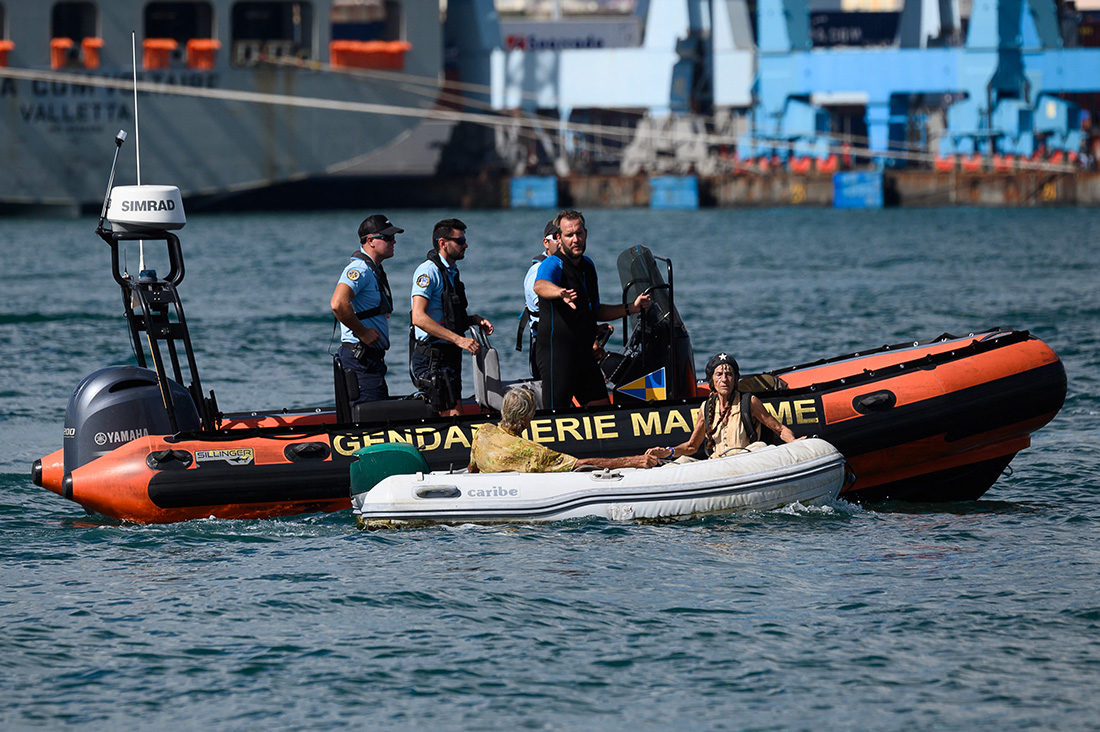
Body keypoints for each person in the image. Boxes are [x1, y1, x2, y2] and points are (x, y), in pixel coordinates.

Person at [532, 209, 652, 409]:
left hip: (584, 353)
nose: (575, 240)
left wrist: (631, 308)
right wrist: (560, 292)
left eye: (579, 233)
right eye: (569, 235)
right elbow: (540, 285)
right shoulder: (553, 263)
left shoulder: (588, 266)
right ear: (559, 238)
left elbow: (595, 311)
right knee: (556, 415)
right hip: (557, 356)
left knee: (602, 409)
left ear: (585, 233)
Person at [410, 218, 494, 417]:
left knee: (456, 409)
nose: (466, 245)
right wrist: (459, 340)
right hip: (433, 357)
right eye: (460, 241)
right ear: (443, 243)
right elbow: (418, 317)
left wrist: (473, 320)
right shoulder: (428, 272)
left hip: (449, 355)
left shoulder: (451, 272)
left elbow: (448, 315)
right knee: (453, 416)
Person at [469, 387, 660, 473]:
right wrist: (633, 461)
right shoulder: (532, 452)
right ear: (525, 419)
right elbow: (580, 464)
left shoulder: (483, 432)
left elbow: (472, 470)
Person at [652, 353, 801, 462]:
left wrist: (794, 442)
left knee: (759, 446)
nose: (724, 379)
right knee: (683, 461)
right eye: (719, 374)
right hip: (717, 464)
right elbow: (692, 446)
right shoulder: (706, 407)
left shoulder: (749, 402)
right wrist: (668, 451)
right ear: (712, 380)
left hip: (745, 461)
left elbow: (779, 429)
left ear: (735, 379)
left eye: (729, 374)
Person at [330, 214, 402, 404]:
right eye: (387, 237)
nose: (393, 241)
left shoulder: (372, 269)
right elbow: (338, 304)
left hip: (370, 359)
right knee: (372, 415)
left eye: (393, 237)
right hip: (360, 358)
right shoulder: (360, 269)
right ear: (370, 240)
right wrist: (362, 332)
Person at [516, 220, 560, 379]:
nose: (561, 241)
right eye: (556, 237)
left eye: (564, 236)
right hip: (547, 346)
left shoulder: (568, 268)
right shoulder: (537, 271)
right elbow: (550, 309)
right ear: (546, 242)